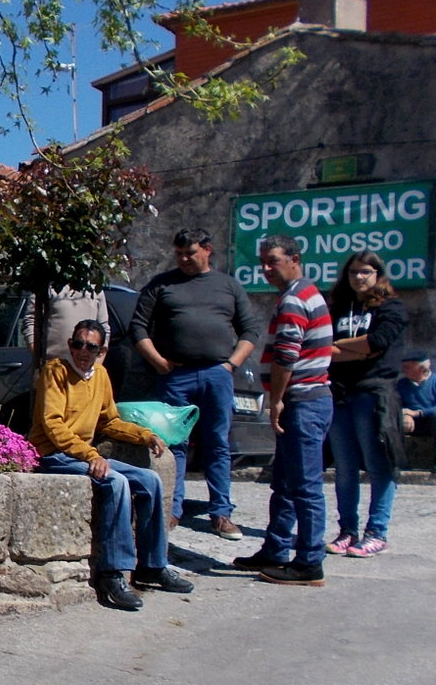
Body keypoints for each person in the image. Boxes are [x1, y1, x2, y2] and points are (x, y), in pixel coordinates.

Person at [31, 319, 194, 612]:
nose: (83, 351)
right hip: (53, 454)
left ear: (102, 351)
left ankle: (153, 565)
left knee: (150, 480)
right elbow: (52, 424)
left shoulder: (101, 376)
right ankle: (111, 573)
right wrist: (90, 455)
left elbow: (110, 421)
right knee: (116, 482)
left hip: (81, 454)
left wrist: (145, 435)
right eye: (78, 344)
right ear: (70, 345)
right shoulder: (55, 371)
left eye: (91, 347)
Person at [132, 229, 258, 540]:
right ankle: (171, 509)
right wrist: (158, 361)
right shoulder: (162, 284)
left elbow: (250, 330)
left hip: (217, 374)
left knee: (217, 444)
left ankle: (221, 513)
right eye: (179, 254)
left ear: (207, 250)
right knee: (174, 444)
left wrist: (231, 364)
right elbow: (138, 326)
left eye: (190, 253)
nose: (184, 259)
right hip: (176, 376)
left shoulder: (228, 286)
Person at [231, 236, 334, 585]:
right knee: (286, 484)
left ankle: (309, 562)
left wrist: (276, 400)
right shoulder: (304, 294)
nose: (266, 268)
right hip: (308, 402)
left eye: (273, 261)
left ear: (294, 259)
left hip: (303, 402)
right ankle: (275, 550)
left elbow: (286, 356)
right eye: (262, 261)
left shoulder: (295, 299)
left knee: (304, 487)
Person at [326, 250, 408, 557]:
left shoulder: (391, 307)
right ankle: (348, 530)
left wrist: (338, 347)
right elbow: (323, 347)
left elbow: (377, 343)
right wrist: (354, 349)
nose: (359, 277)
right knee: (344, 468)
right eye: (353, 272)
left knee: (378, 464)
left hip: (373, 394)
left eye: (365, 272)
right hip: (340, 394)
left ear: (378, 274)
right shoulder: (337, 308)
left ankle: (377, 532)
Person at [398, 352, 436, 476]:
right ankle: (397, 461)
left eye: (407, 367)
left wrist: (418, 413)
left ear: (421, 369)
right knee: (391, 420)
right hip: (410, 423)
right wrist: (405, 414)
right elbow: (394, 404)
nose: (403, 370)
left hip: (430, 421)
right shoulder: (401, 384)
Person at [22, 286, 109, 364]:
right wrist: (39, 359)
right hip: (51, 366)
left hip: (87, 369)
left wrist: (97, 363)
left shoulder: (95, 288)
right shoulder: (46, 286)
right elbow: (30, 322)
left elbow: (104, 328)